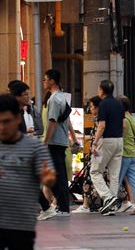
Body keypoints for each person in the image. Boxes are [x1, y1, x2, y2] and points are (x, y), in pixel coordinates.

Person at [0, 94, 56, 250]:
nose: (2, 127)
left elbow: (49, 178)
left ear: (18, 119)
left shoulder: (34, 147)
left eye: (6, 121)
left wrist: (48, 177)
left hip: (21, 225)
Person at [39, 69, 72, 218]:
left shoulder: (54, 99)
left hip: (54, 141)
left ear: (52, 81)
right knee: (60, 175)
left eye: (45, 79)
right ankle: (63, 206)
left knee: (56, 175)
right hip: (61, 141)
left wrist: (46, 142)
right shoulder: (62, 98)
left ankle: (63, 207)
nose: (44, 82)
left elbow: (52, 122)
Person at [91, 79, 125, 215]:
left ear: (102, 90)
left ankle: (108, 197)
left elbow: (102, 125)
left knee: (95, 171)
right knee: (114, 175)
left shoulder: (103, 104)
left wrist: (95, 142)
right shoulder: (119, 103)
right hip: (119, 140)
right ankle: (111, 205)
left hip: (106, 141)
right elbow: (124, 125)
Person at [118, 96, 135, 215]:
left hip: (124, 153)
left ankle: (110, 204)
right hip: (133, 153)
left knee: (116, 179)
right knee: (134, 179)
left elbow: (121, 135)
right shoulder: (132, 118)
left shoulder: (123, 119)